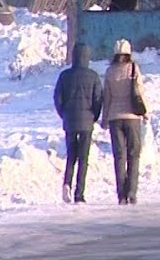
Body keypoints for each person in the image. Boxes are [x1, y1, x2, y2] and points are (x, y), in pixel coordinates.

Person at [53, 43, 103, 204]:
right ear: (87, 57)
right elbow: (98, 100)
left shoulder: (64, 75)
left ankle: (67, 182)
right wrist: (93, 116)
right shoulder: (93, 76)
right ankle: (79, 193)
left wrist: (64, 115)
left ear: (74, 56)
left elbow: (58, 98)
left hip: (69, 120)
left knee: (71, 155)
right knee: (83, 158)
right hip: (87, 121)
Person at [101, 38, 149, 205]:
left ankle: (121, 195)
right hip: (132, 117)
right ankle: (132, 192)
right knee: (134, 155)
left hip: (115, 118)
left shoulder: (109, 72)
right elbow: (140, 92)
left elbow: (106, 98)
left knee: (119, 156)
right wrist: (146, 112)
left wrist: (104, 118)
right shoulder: (134, 68)